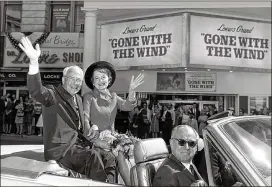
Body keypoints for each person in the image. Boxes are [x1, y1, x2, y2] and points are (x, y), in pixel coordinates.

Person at [19, 37, 116, 183]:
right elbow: (36, 91)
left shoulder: (78, 98)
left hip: (79, 146)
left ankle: (109, 184)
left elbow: (81, 128)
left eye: (79, 80)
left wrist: (94, 129)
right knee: (92, 157)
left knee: (108, 157)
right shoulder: (52, 95)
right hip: (61, 150)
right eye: (73, 79)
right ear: (63, 80)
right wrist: (34, 62)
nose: (76, 83)